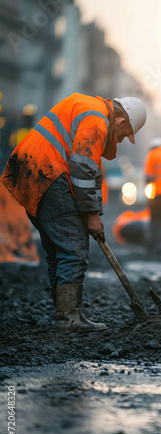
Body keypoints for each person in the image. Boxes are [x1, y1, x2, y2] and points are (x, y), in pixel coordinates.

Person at [1, 92, 147, 332]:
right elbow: (81, 170)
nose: (121, 141)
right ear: (121, 122)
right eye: (125, 135)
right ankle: (69, 318)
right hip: (47, 172)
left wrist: (96, 215)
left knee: (58, 251)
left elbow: (92, 171)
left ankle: (64, 314)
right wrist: (90, 216)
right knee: (74, 249)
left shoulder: (89, 109)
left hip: (27, 170)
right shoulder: (97, 119)